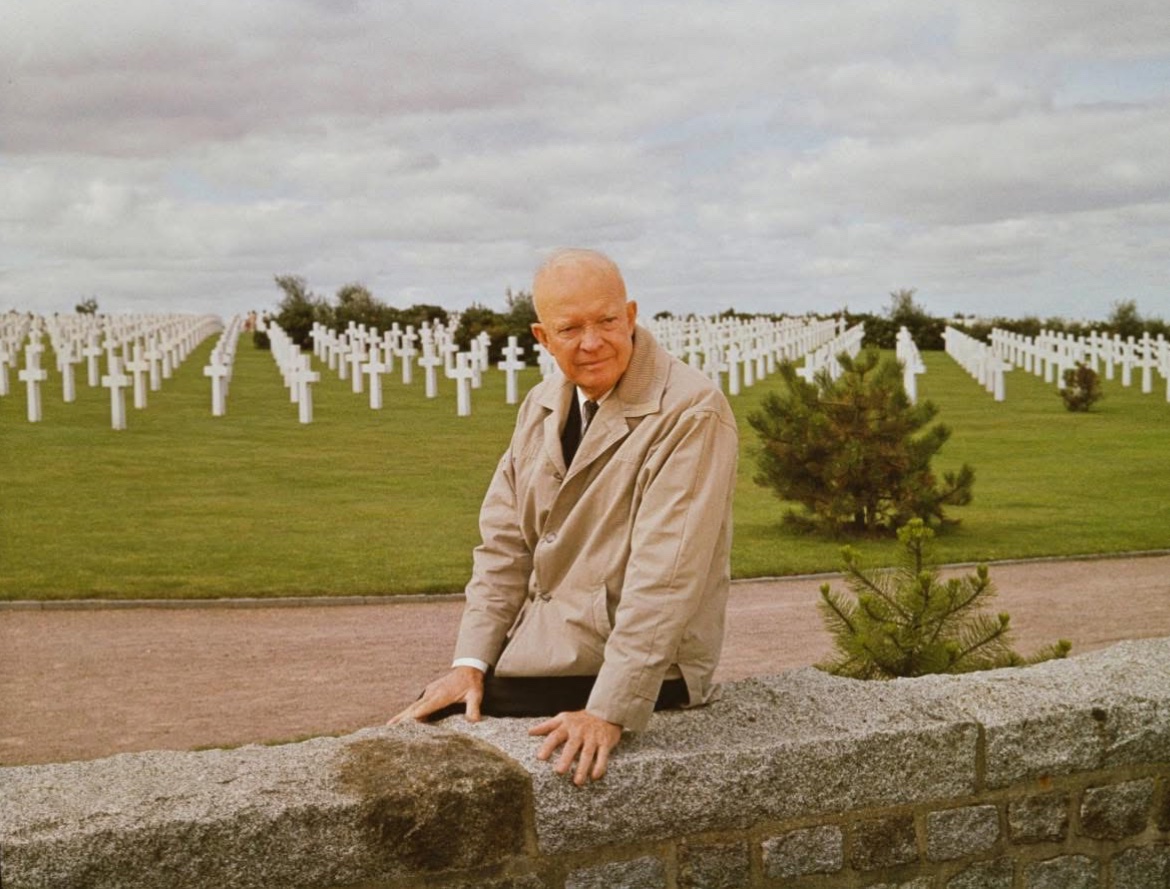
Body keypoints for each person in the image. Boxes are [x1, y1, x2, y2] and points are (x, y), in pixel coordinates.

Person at [391, 248, 738, 786]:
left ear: (631, 315)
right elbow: (504, 545)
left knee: (444, 732)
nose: (592, 341)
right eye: (570, 328)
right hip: (550, 647)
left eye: (606, 321)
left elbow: (667, 576)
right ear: (542, 338)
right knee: (449, 700)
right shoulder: (540, 405)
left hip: (647, 666)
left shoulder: (691, 411)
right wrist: (471, 661)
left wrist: (609, 712)